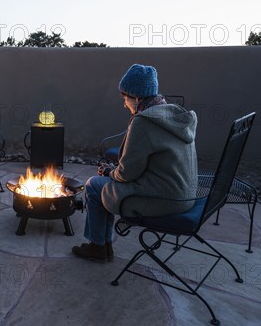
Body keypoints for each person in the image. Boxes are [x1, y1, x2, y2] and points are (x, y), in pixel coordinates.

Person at [72, 64, 198, 263]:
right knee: (105, 185)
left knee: (94, 185)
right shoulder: (173, 115)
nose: (124, 104)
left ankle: (98, 247)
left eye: (125, 98)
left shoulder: (144, 122)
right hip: (185, 195)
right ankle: (102, 246)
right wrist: (115, 172)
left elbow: (127, 174)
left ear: (137, 98)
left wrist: (111, 173)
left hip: (162, 200)